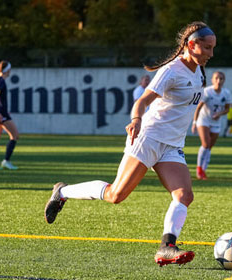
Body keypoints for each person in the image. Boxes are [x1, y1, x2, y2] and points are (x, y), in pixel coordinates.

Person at [44, 21, 216, 267]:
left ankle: (167, 247)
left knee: (184, 195)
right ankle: (62, 192)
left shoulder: (198, 69)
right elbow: (142, 102)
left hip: (172, 145)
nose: (211, 54)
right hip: (148, 137)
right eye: (207, 48)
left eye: (212, 48)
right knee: (116, 195)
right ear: (191, 45)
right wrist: (135, 119)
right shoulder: (171, 70)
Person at [192, 71, 231, 180]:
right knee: (205, 143)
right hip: (203, 120)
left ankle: (203, 170)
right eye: (217, 78)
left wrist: (219, 113)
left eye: (221, 78)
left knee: (209, 147)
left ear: (224, 80)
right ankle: (199, 169)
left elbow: (227, 109)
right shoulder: (207, 91)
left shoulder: (226, 93)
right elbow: (198, 108)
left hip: (216, 122)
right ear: (212, 80)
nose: (219, 81)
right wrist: (194, 123)